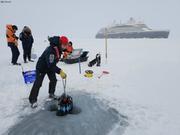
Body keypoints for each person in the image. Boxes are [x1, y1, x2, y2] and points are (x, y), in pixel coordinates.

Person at [29, 36, 69, 108]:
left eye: (66, 45)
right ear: (60, 43)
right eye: (64, 45)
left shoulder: (58, 48)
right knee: (38, 83)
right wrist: (60, 71)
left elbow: (52, 63)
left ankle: (51, 94)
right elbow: (50, 64)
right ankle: (33, 100)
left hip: (50, 67)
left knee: (53, 80)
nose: (65, 47)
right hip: (42, 67)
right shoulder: (51, 50)